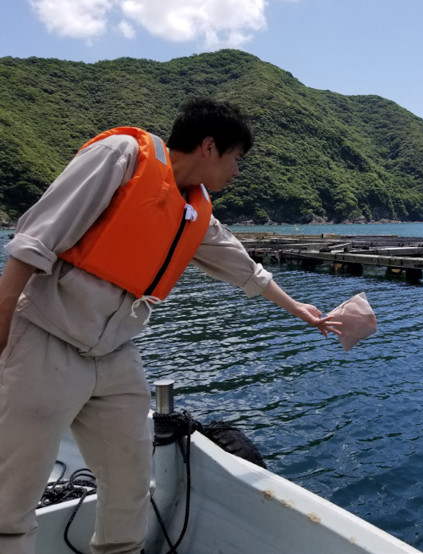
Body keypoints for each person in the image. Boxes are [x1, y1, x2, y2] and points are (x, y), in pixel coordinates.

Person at [0, 98, 341, 553]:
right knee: (11, 499)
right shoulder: (121, 156)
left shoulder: (194, 211)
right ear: (208, 146)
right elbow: (33, 241)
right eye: (236, 160)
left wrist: (300, 309)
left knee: (130, 482)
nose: (237, 172)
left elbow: (243, 269)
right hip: (47, 336)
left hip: (115, 351)